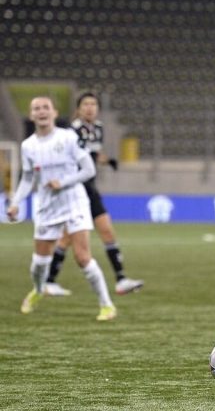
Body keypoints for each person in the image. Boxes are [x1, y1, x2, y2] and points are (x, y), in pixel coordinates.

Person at [6, 96, 117, 321]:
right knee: (39, 264)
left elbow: (88, 169)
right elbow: (28, 178)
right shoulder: (28, 146)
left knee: (82, 257)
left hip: (74, 201)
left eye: (46, 107)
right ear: (31, 115)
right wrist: (16, 202)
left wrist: (64, 182)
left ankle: (106, 305)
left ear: (54, 113)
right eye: (36, 108)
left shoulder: (67, 138)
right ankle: (38, 290)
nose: (41, 111)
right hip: (47, 206)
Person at [43, 92, 144, 296]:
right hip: (75, 189)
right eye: (86, 104)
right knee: (68, 237)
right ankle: (48, 281)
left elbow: (93, 153)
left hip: (90, 187)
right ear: (79, 109)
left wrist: (107, 160)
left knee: (101, 231)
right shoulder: (72, 132)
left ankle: (121, 280)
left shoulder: (98, 129)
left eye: (93, 104)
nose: (90, 107)